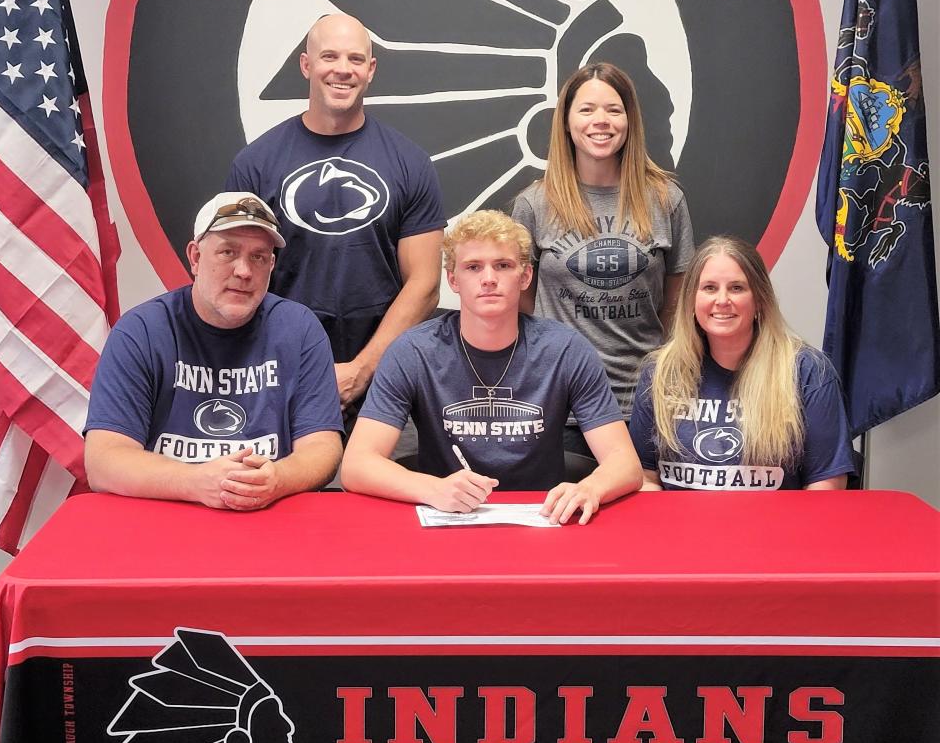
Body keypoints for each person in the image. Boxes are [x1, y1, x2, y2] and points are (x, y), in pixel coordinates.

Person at [341, 211, 642, 524]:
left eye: (503, 265)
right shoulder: (413, 351)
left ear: (525, 277)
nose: (488, 278)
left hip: (544, 519)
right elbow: (357, 465)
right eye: (473, 267)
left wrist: (591, 488)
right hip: (447, 517)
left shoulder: (566, 350)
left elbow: (625, 463)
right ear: (453, 279)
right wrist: (432, 489)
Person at [225, 13, 446, 418]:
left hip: (387, 382)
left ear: (371, 70)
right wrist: (297, 368)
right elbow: (238, 278)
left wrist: (362, 370)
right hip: (280, 376)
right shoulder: (256, 164)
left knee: (379, 482)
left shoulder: (410, 163)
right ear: (306, 64)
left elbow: (426, 284)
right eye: (329, 56)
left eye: (356, 59)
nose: (342, 70)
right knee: (286, 482)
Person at [84, 192, 344, 509]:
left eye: (259, 257)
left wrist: (278, 478)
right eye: (227, 252)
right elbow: (103, 460)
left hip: (268, 515)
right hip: (167, 511)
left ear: (271, 265)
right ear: (195, 257)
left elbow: (323, 446)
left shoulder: (299, 329)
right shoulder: (140, 332)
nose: (244, 271)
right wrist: (195, 482)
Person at [511, 62, 694, 447]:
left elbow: (677, 305)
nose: (601, 121)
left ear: (630, 121)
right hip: (561, 404)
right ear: (566, 121)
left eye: (613, 110)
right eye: (587, 109)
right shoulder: (534, 204)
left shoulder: (665, 200)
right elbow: (524, 306)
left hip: (645, 404)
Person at [629, 236, 855, 491]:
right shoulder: (659, 372)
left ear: (759, 299)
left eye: (737, 287)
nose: (722, 300)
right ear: (692, 300)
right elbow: (646, 477)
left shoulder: (808, 372)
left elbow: (826, 485)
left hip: (776, 530)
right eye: (709, 288)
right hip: (681, 529)